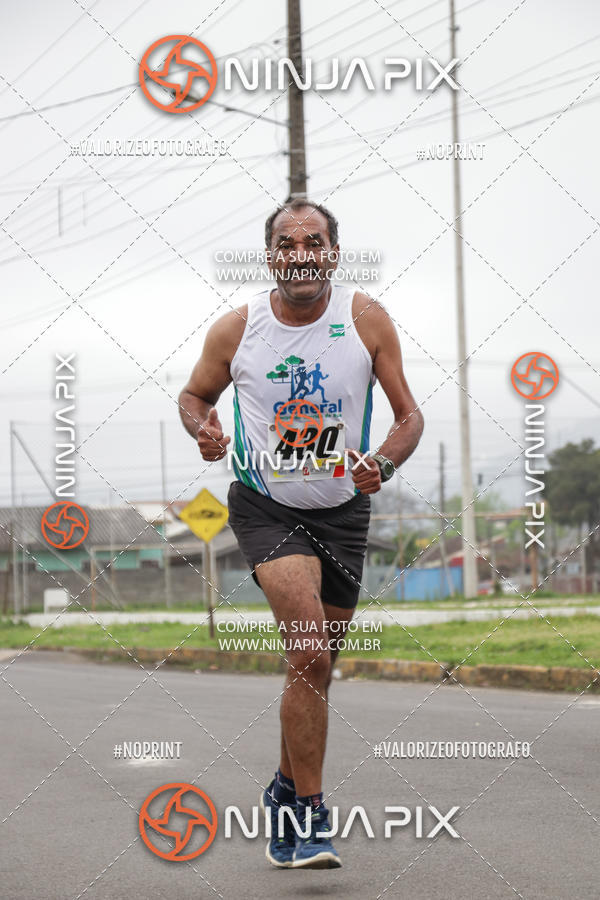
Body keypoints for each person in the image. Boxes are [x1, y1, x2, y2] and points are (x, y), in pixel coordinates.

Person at [178, 199, 423, 869]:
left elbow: (408, 417)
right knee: (310, 653)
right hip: (266, 507)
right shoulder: (238, 329)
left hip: (343, 512)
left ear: (333, 254)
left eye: (314, 242)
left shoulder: (365, 319)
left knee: (317, 669)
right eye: (287, 244)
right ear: (271, 258)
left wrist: (382, 463)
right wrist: (203, 429)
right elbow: (194, 397)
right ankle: (311, 817)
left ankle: (284, 790)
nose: (301, 254)